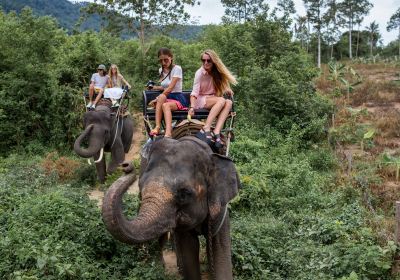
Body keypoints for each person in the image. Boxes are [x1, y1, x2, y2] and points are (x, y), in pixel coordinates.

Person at [188, 49, 237, 148]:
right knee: (221, 100)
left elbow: (221, 85)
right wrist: (192, 107)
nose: (205, 63)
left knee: (228, 103)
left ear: (213, 61)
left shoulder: (216, 72)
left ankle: (216, 131)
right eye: (203, 60)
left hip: (212, 99)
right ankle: (206, 127)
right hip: (200, 100)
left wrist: (227, 89)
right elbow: (194, 92)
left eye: (208, 60)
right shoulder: (199, 73)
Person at [147, 47, 188, 137]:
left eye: (166, 60)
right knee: (163, 101)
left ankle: (168, 133)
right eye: (161, 61)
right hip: (166, 97)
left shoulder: (177, 68)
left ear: (171, 58)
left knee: (163, 101)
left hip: (177, 98)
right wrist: (154, 88)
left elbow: (170, 87)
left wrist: (157, 99)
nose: (163, 63)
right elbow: (164, 87)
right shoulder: (161, 70)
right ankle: (157, 126)